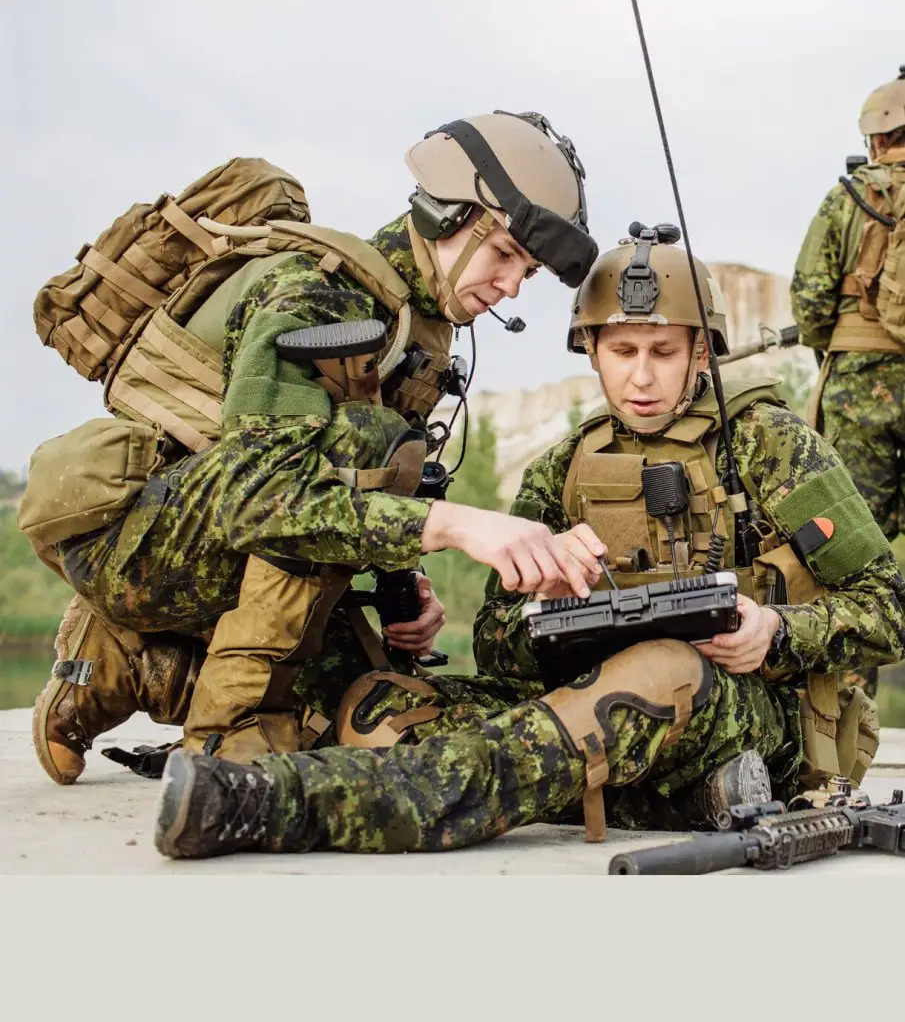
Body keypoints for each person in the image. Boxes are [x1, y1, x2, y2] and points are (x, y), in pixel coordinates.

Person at [154, 224, 905, 859]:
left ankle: (278, 806)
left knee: (662, 669)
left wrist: (779, 633)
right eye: (620, 350)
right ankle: (662, 804)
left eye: (662, 351)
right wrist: (541, 608)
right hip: (581, 702)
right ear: (591, 350)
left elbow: (886, 606)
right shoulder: (567, 465)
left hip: (751, 719)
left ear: (700, 353)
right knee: (375, 706)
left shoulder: (770, 443)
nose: (640, 377)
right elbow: (496, 646)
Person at [27, 109, 599, 784]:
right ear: (447, 216)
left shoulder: (413, 327)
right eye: (503, 254)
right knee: (361, 443)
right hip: (131, 543)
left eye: (525, 272)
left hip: (222, 547)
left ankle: (125, 665)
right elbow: (262, 499)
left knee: (365, 712)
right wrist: (460, 526)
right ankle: (224, 738)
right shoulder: (318, 295)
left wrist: (402, 587)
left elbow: (372, 491)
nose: (508, 286)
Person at [790, 65, 905, 699]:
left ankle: (845, 726)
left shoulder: (852, 196)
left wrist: (832, 350)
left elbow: (808, 296)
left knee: (855, 559)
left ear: (877, 137)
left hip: (859, 390)